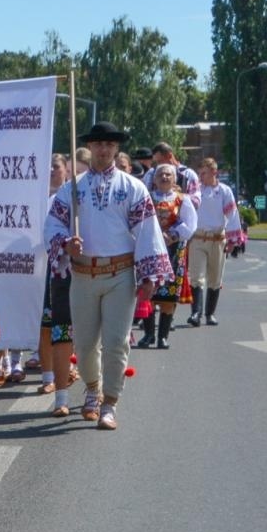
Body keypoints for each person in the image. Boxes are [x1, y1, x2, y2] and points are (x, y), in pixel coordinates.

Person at [45, 122, 172, 430]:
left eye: (109, 144)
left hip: (120, 275)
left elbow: (146, 233)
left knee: (116, 342)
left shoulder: (133, 188)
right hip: (83, 273)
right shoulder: (72, 188)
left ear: (116, 149)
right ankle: (92, 388)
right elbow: (52, 224)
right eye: (98, 144)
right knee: (85, 345)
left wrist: (148, 276)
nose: (103, 149)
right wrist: (65, 242)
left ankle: (109, 403)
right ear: (91, 148)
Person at [138, 162, 197, 350]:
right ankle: (148, 334)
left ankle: (162, 336)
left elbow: (190, 224)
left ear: (174, 179)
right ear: (154, 179)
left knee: (168, 295)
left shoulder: (182, 199)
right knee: (148, 292)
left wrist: (172, 235)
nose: (164, 177)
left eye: (168, 175)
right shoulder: (146, 198)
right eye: (161, 175)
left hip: (173, 251)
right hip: (150, 250)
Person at [36, 153, 78, 415]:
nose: (52, 171)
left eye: (57, 167)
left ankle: (95, 394)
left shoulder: (78, 193)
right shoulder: (54, 200)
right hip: (56, 273)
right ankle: (58, 392)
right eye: (48, 166)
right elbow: (48, 232)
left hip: (91, 274)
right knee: (54, 329)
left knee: (88, 336)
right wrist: (64, 244)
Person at [186, 158, 243, 326]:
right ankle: (196, 313)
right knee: (196, 277)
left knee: (215, 278)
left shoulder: (224, 191)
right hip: (198, 238)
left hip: (217, 239)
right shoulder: (196, 191)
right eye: (199, 173)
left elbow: (232, 215)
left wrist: (233, 239)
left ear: (213, 172)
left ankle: (210, 313)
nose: (200, 177)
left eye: (204, 173)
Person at [145, 141, 201, 206]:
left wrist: (177, 195)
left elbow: (196, 202)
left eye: (160, 161)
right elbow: (144, 199)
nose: (158, 165)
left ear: (170, 156)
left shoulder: (189, 174)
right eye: (156, 162)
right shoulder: (151, 174)